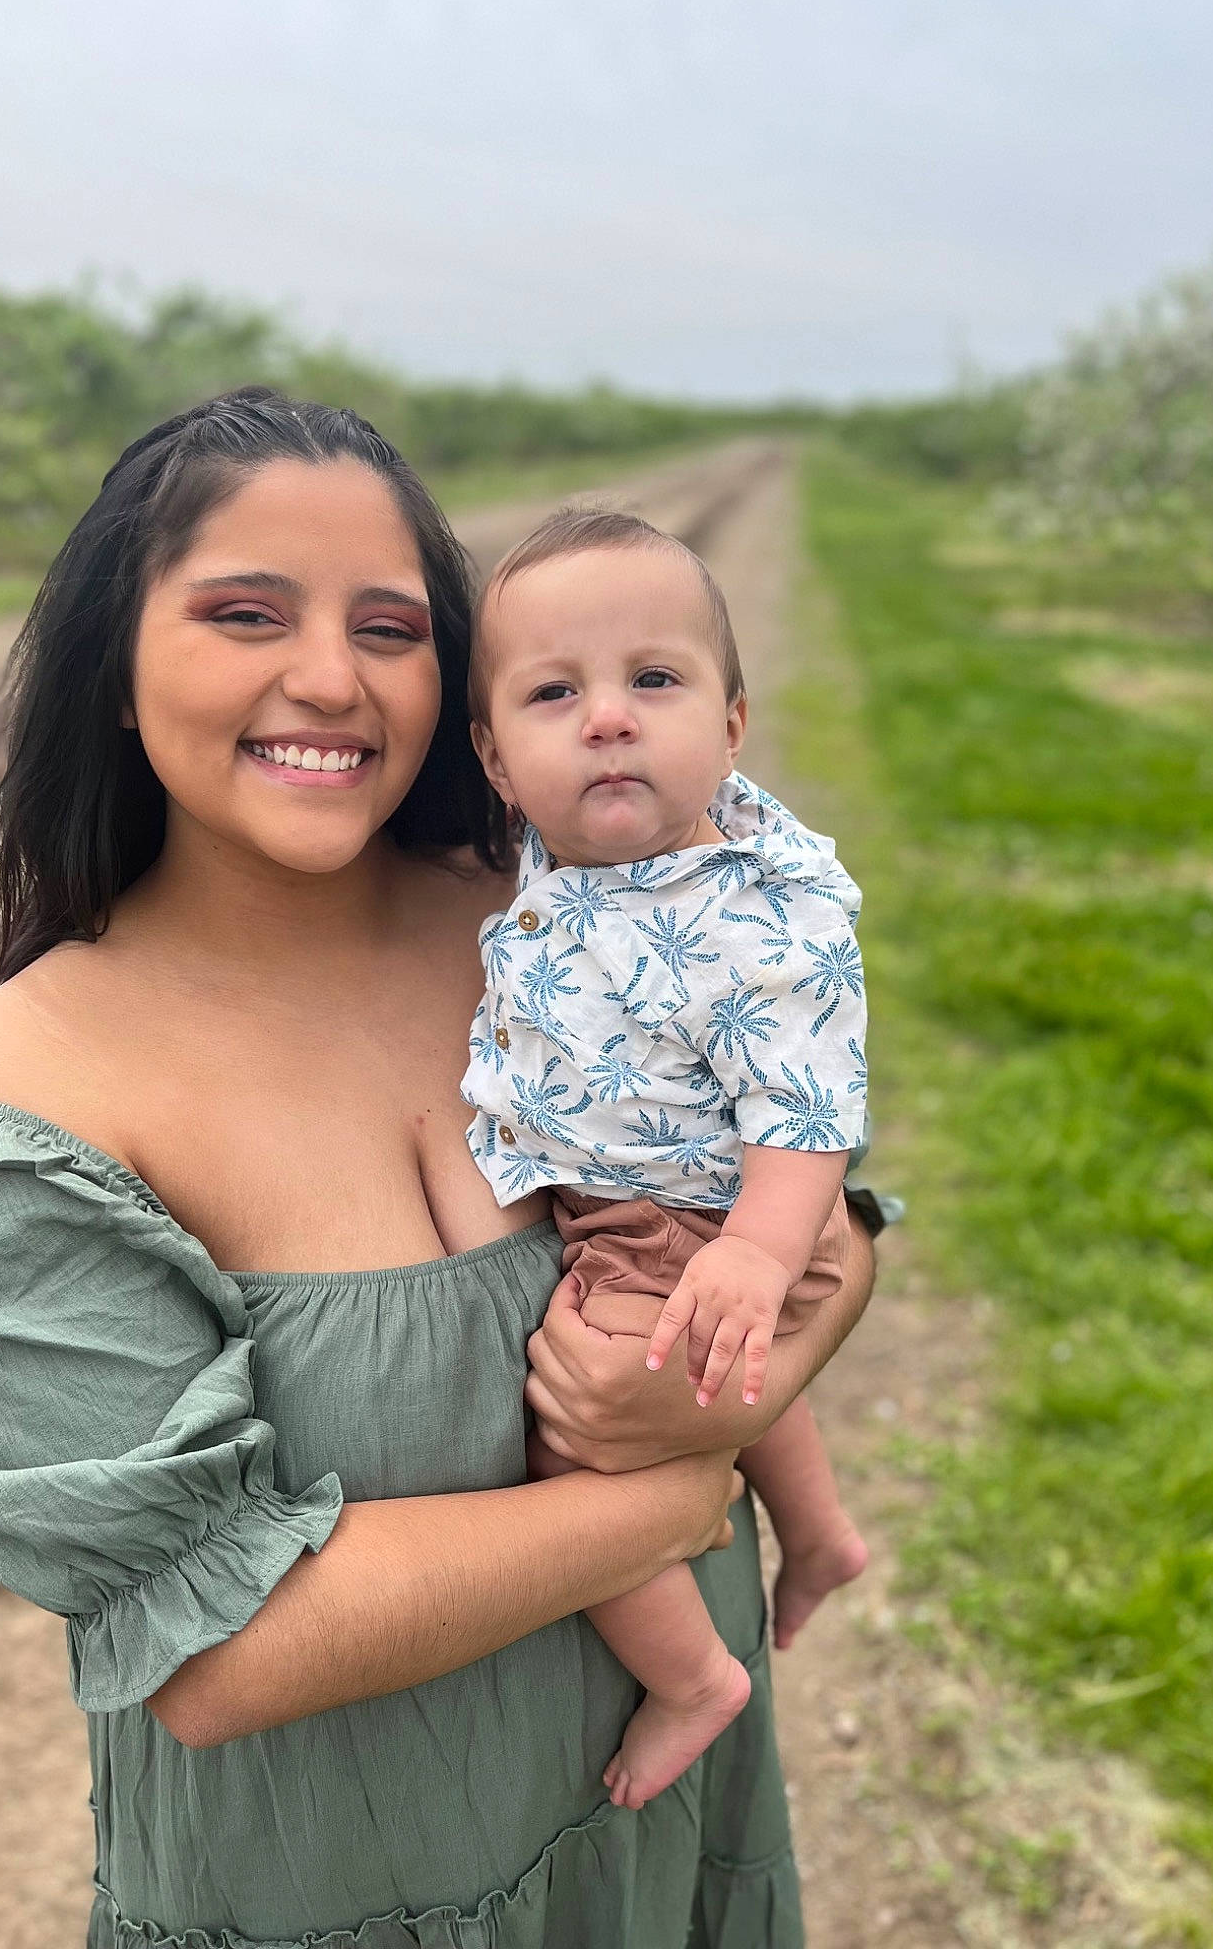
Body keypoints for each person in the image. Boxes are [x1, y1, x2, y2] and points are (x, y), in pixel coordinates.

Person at [0, 388, 880, 1949]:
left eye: (393, 627)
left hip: (661, 1815)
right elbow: (224, 1650)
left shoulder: (548, 916)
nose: (330, 678)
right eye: (245, 612)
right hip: (349, 1893)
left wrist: (783, 1327)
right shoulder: (14, 1106)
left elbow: (808, 1192)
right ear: (118, 673)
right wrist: (682, 1484)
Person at [463, 509, 870, 1811]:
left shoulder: (760, 915)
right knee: (734, 1370)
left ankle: (696, 1677)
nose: (608, 719)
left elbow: (807, 1112)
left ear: (733, 727)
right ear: (495, 757)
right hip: (636, 1199)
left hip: (703, 1216)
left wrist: (758, 1249)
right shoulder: (544, 857)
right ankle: (818, 1534)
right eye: (554, 693)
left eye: (654, 679)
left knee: (577, 1443)